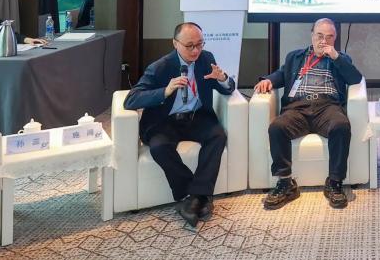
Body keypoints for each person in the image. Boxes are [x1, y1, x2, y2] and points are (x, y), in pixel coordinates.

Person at [124, 22, 234, 229]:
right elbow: (131, 100)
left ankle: (197, 196)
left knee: (218, 135)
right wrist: (164, 91)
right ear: (175, 44)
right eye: (190, 46)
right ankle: (193, 195)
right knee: (159, 147)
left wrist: (222, 78)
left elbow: (228, 89)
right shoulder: (160, 67)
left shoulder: (206, 59)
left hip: (197, 116)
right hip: (165, 121)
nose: (196, 51)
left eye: (200, 44)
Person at [254, 18, 363, 210]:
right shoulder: (295, 57)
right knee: (277, 128)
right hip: (298, 107)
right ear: (312, 35)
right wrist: (268, 80)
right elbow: (281, 74)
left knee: (341, 126)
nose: (324, 41)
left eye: (329, 37)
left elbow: (355, 78)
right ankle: (285, 182)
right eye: (320, 36)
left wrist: (336, 57)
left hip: (327, 106)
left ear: (335, 39)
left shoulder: (341, 59)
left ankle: (335, 182)